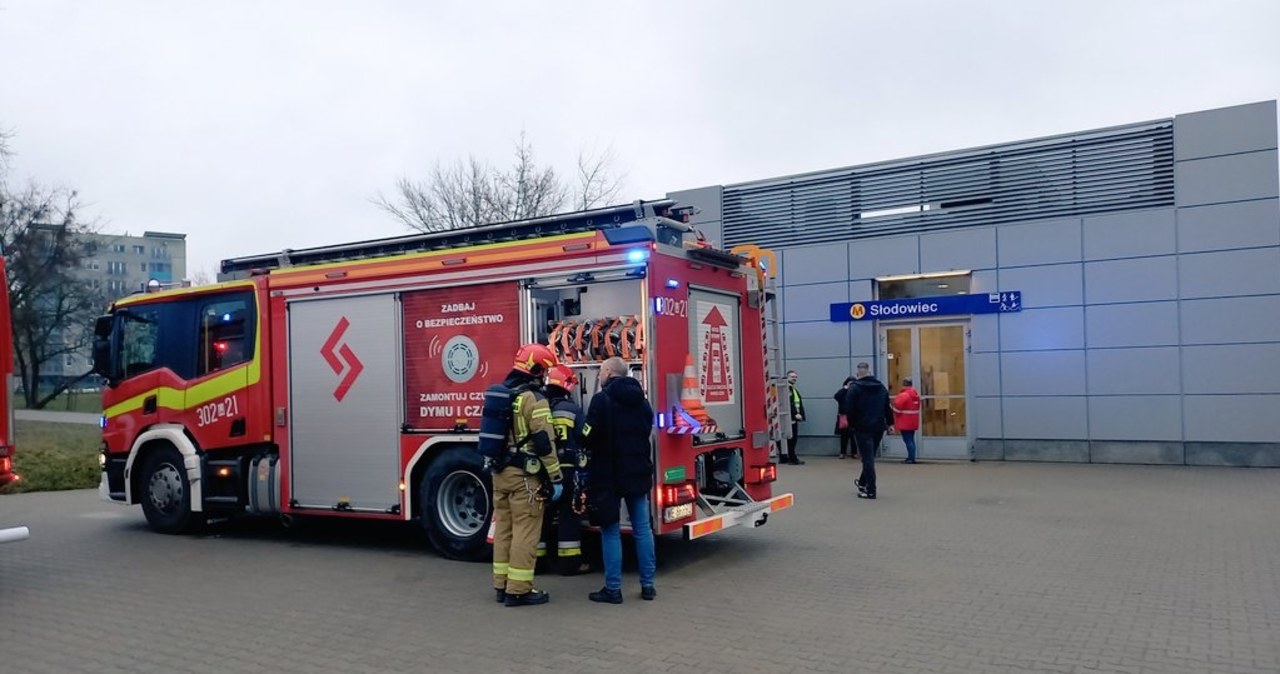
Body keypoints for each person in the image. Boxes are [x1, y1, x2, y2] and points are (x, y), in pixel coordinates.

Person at [491, 344, 564, 607]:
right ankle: (519, 590)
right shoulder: (533, 399)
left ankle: (501, 586)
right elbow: (544, 442)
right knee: (526, 531)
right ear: (535, 369)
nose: (544, 376)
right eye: (543, 371)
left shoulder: (502, 393)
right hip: (525, 477)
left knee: (504, 529)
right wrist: (556, 477)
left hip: (500, 474)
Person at [583, 356, 657, 604]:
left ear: (607, 372)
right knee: (642, 529)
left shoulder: (601, 401)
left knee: (610, 531)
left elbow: (588, 437)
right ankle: (648, 586)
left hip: (608, 475)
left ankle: (613, 589)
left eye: (601, 371)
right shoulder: (643, 403)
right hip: (637, 471)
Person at [542, 364, 591, 575]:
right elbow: (586, 434)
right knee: (568, 516)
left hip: (542, 471)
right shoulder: (570, 409)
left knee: (540, 517)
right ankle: (569, 564)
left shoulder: (538, 405)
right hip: (568, 471)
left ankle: (537, 563)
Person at [844, 362, 893, 500]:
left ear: (858, 373)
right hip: (878, 427)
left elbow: (849, 409)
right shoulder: (881, 387)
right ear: (869, 371)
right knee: (870, 457)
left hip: (862, 427)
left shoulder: (854, 388)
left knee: (867, 459)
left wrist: (852, 424)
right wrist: (890, 423)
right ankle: (863, 482)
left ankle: (871, 490)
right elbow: (887, 407)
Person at [892, 378, 921, 464]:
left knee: (907, 440)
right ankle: (911, 457)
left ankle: (911, 458)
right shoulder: (916, 394)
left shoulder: (903, 395)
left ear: (903, 384)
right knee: (911, 439)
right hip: (913, 421)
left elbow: (897, 408)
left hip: (904, 421)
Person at [783, 370, 806, 465]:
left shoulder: (791, 388)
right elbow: (787, 403)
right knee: (792, 439)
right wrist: (794, 414)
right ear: (787, 377)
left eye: (795, 377)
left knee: (788, 439)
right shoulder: (787, 388)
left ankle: (785, 457)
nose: (794, 378)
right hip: (791, 418)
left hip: (791, 418)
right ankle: (792, 458)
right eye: (792, 376)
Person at [833, 376, 857, 460]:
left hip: (854, 416)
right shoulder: (843, 392)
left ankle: (854, 452)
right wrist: (845, 389)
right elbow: (836, 397)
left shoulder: (856, 391)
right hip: (844, 416)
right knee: (844, 436)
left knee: (854, 436)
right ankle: (842, 452)